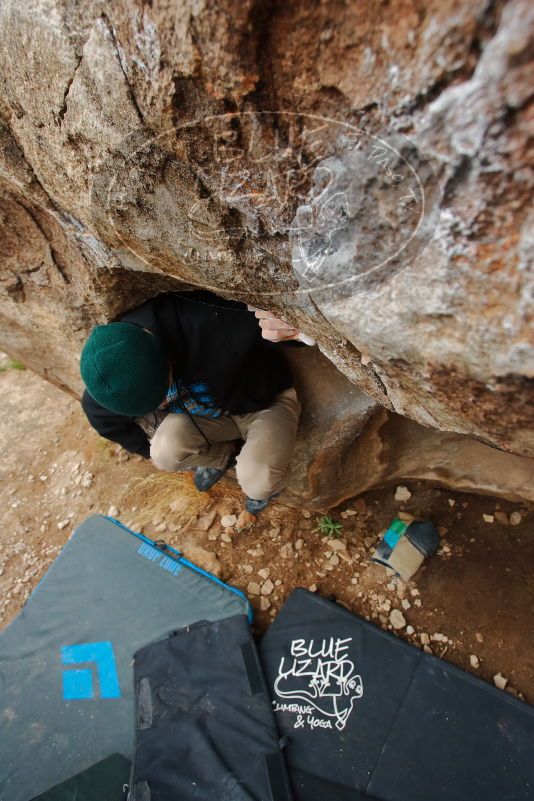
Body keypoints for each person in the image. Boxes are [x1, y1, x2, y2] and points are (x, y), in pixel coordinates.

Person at [80, 290, 305, 514]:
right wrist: (142, 448)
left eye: (159, 397)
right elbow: (99, 416)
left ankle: (263, 489)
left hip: (265, 403)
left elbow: (281, 327)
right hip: (210, 415)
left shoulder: (205, 320)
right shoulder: (114, 379)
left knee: (257, 483)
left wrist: (290, 330)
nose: (160, 406)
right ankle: (225, 457)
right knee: (163, 453)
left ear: (164, 360)